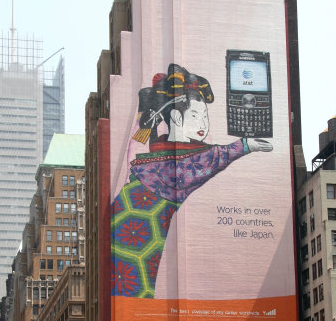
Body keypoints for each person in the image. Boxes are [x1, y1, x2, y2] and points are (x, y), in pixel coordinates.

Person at [111, 64, 272, 297]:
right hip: (135, 230)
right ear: (176, 116)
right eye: (196, 116)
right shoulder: (185, 161)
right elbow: (211, 159)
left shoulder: (162, 147)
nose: (203, 125)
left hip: (129, 219)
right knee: (133, 289)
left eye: (205, 117)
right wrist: (246, 144)